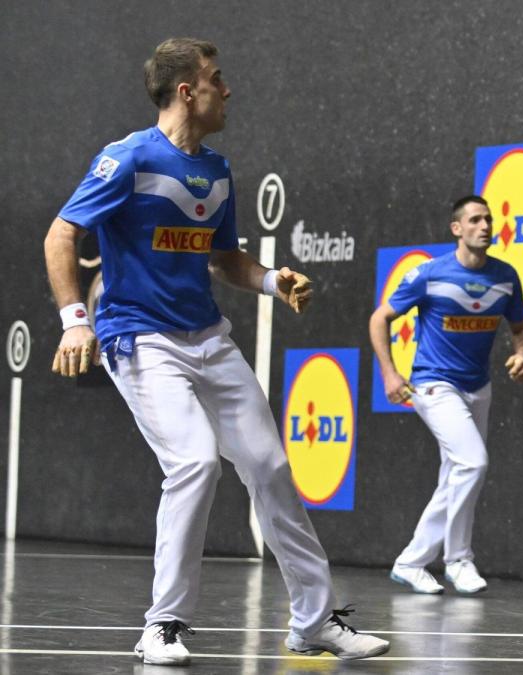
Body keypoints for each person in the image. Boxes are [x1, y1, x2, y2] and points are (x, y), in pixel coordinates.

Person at [43, 37, 389, 666]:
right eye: (217, 80)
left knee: (271, 467)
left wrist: (270, 280)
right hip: (138, 336)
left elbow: (224, 257)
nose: (227, 90)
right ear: (187, 91)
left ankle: (313, 622)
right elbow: (63, 232)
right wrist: (74, 321)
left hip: (207, 337)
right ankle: (163, 625)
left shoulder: (217, 169)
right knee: (195, 463)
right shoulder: (126, 159)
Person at [369, 195, 523, 595]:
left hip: (478, 386)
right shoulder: (429, 274)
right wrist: (390, 374)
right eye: (475, 220)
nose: (485, 226)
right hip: (433, 383)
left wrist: (522, 353)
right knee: (473, 463)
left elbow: (521, 327)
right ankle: (457, 559)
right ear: (457, 229)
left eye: (489, 220)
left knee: (457, 473)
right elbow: (380, 318)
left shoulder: (506, 277)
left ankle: (413, 562)